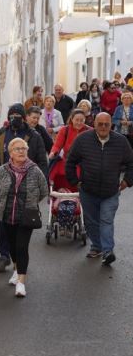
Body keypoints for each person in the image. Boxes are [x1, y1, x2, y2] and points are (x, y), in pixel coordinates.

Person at [0, 103, 48, 273]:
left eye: (18, 116)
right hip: (5, 188)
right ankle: (4, 255)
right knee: (3, 224)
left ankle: (19, 264)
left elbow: (42, 161)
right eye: (12, 115)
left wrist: (39, 188)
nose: (15, 119)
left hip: (27, 188)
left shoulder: (33, 136)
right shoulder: (0, 135)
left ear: (24, 117)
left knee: (22, 227)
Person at [66, 113, 133, 266]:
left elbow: (131, 163)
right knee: (91, 222)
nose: (103, 127)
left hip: (111, 191)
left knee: (106, 220)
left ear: (111, 125)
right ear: (94, 124)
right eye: (100, 124)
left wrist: (127, 182)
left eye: (106, 124)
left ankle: (108, 251)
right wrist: (75, 182)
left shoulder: (121, 142)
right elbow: (70, 161)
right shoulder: (83, 140)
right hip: (88, 191)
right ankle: (97, 246)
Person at [0, 138, 48, 297]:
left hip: (26, 216)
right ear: (10, 153)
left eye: (24, 148)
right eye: (17, 149)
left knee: (22, 247)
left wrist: (31, 203)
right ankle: (16, 268)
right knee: (12, 247)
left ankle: (21, 282)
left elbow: (43, 191)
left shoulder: (35, 170)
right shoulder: (2, 170)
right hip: (6, 215)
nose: (21, 151)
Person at [48, 109, 92, 191]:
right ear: (72, 119)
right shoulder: (64, 130)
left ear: (85, 120)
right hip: (68, 160)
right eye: (77, 120)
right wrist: (53, 152)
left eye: (81, 120)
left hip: (84, 161)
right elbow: (57, 145)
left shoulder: (90, 131)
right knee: (55, 171)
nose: (79, 123)